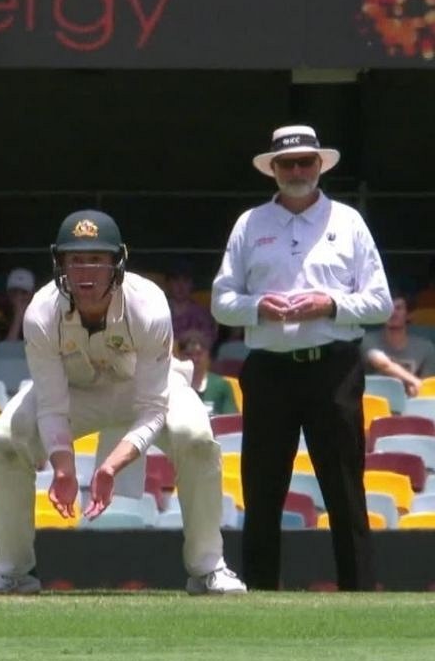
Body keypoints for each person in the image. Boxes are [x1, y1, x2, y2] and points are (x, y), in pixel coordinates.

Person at [0, 210, 245, 596]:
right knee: (7, 444)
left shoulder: (148, 303)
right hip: (76, 392)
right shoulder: (41, 312)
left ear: (118, 262)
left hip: (142, 389)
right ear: (59, 263)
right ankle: (13, 569)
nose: (86, 271)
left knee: (195, 438)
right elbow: (50, 405)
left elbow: (152, 406)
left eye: (97, 259)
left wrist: (112, 466)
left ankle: (208, 566)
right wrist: (63, 468)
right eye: (75, 259)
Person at [212, 125, 392, 592]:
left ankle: (359, 593)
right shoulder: (250, 224)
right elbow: (221, 300)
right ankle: (260, 592)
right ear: (272, 169)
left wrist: (328, 304)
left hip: (333, 367)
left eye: (305, 162)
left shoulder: (348, 221)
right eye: (287, 163)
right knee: (263, 486)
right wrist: (258, 307)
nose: (297, 171)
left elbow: (380, 303)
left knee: (345, 487)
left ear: (320, 166)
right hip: (269, 368)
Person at [361, 291, 433, 395]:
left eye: (398, 308)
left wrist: (417, 390)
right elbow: (383, 364)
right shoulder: (368, 340)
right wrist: (415, 382)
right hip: (375, 403)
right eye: (388, 308)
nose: (393, 313)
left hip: (412, 405)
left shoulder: (426, 347)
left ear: (408, 315)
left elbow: (428, 385)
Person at [176, 329, 237, 415]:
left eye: (199, 353)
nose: (195, 359)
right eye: (188, 354)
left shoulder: (221, 385)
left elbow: (230, 420)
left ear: (207, 354)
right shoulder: (172, 385)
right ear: (179, 356)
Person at [165, 259, 216, 344]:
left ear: (191, 284)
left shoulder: (202, 313)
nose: (181, 286)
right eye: (176, 280)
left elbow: (209, 342)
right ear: (168, 283)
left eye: (185, 281)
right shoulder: (158, 311)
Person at [1, 267, 36, 342]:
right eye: (14, 292)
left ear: (32, 294)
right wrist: (18, 317)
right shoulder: (0, 321)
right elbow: (5, 350)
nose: (19, 297)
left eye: (24, 292)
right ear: (8, 294)